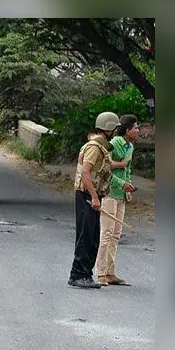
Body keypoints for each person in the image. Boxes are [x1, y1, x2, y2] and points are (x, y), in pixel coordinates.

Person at [68, 111, 118, 289]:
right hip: (87, 195)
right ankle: (77, 274)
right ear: (108, 129)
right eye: (115, 129)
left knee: (93, 236)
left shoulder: (100, 146)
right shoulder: (94, 147)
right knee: (86, 236)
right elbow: (85, 172)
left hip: (92, 195)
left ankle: (85, 274)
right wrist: (94, 196)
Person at [96, 114, 139, 286]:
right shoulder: (114, 144)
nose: (138, 130)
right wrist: (122, 182)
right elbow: (106, 168)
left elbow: (127, 170)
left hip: (121, 195)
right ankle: (100, 273)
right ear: (127, 130)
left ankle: (110, 272)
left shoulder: (130, 146)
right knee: (106, 234)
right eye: (135, 127)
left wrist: (128, 187)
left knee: (116, 235)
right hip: (110, 192)